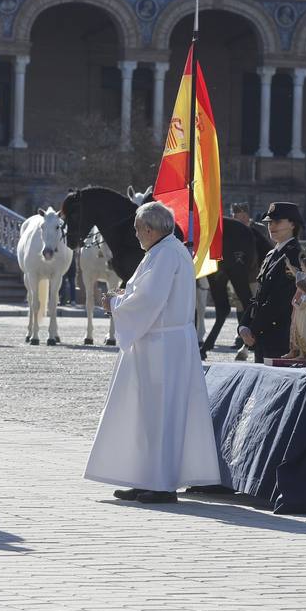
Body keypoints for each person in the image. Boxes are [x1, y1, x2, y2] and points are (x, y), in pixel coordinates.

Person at [85, 201, 220, 505]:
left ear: (149, 228)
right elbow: (143, 293)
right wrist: (123, 298)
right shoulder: (162, 252)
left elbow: (150, 298)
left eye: (136, 229)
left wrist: (114, 305)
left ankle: (162, 483)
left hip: (163, 346)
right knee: (145, 414)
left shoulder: (167, 254)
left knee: (161, 414)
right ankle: (144, 477)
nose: (135, 235)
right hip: (155, 343)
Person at [238, 202, 306, 361]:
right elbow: (259, 296)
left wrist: (253, 329)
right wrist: (243, 325)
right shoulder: (272, 254)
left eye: (277, 222)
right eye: (269, 222)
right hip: (263, 336)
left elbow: (280, 300)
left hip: (282, 338)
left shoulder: (296, 256)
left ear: (292, 224)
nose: (271, 226)